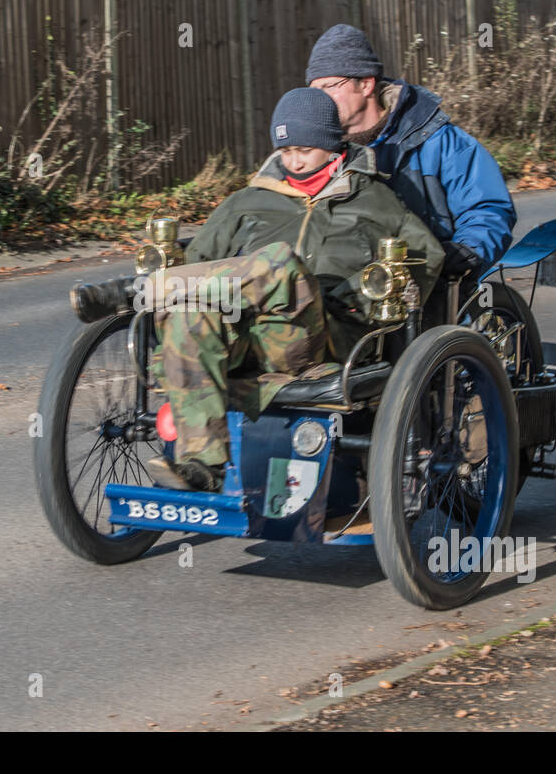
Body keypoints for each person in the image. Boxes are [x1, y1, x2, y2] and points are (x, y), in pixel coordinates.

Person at [130, 87, 444, 492]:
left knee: (279, 262)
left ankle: (139, 291)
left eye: (305, 150)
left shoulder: (376, 200)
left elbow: (426, 255)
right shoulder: (246, 202)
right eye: (285, 150)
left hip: (323, 337)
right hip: (250, 341)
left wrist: (361, 297)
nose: (293, 161)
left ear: (333, 146)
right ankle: (203, 466)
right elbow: (200, 265)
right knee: (191, 315)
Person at [305, 24, 516, 280]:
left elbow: (487, 207)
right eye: (314, 91)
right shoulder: (312, 151)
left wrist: (467, 251)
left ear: (366, 84)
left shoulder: (435, 139)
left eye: (330, 86)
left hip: (433, 280)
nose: (319, 101)